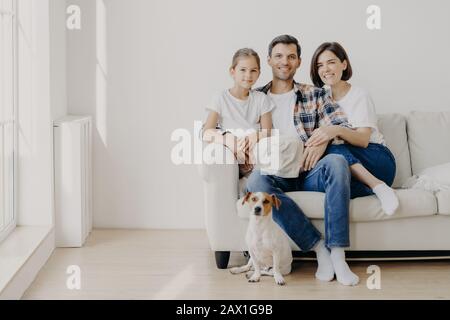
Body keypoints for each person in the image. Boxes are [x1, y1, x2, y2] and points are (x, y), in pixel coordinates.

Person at [245, 35, 359, 286]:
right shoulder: (253, 99)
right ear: (269, 61)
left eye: (291, 57)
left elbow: (341, 125)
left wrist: (323, 140)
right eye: (279, 56)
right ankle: (320, 249)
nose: (284, 62)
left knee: (338, 162)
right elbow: (229, 128)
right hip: (273, 175)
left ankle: (338, 254)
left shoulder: (315, 94)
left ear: (298, 62)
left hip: (308, 171)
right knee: (256, 181)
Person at [308, 42, 398, 215]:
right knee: (330, 174)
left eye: (331, 62)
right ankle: (375, 189)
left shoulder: (359, 95)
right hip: (347, 168)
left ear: (344, 64)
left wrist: (335, 130)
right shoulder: (319, 98)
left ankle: (378, 186)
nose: (325, 69)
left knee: (333, 149)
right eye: (320, 65)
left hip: (376, 158)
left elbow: (363, 140)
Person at [202, 48, 274, 177]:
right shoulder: (220, 98)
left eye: (253, 70)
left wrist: (254, 136)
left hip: (254, 151)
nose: (248, 75)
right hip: (232, 149)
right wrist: (230, 142)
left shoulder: (261, 99)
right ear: (232, 71)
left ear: (259, 73)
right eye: (243, 70)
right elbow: (207, 132)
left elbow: (268, 132)